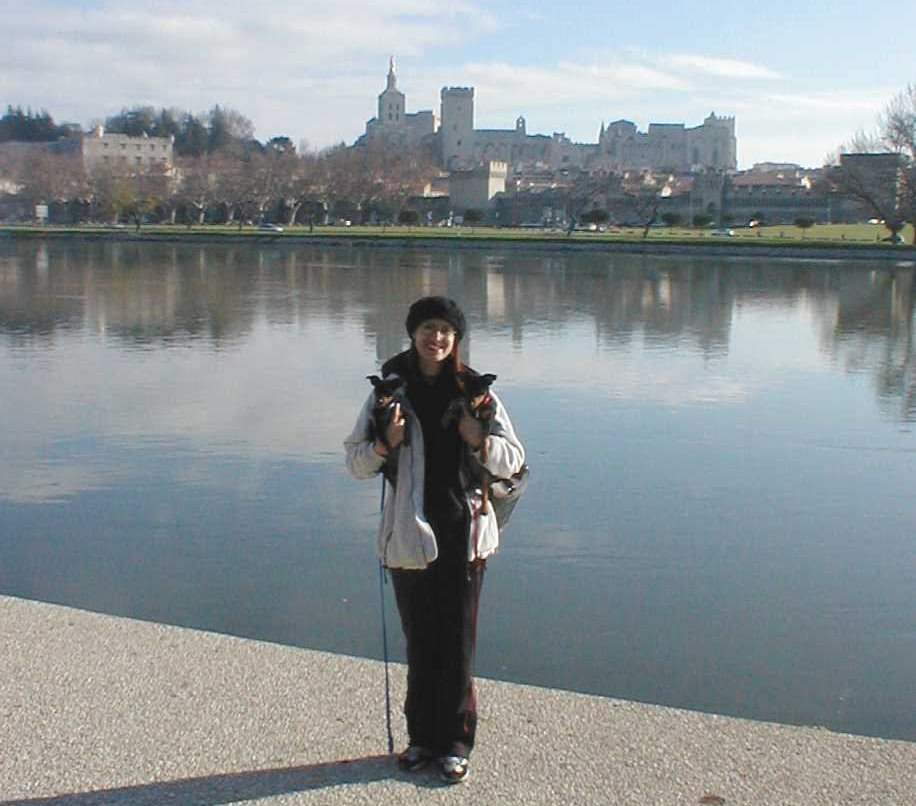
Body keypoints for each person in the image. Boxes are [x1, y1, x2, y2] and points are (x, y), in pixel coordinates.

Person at [344, 296, 525, 784]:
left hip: (463, 533)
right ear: (412, 333)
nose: (437, 338)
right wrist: (387, 444)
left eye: (446, 330)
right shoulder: (389, 391)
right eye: (428, 328)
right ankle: (421, 739)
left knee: (458, 643)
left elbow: (513, 459)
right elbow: (356, 462)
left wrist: (478, 438)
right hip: (409, 532)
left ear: (456, 338)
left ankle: (457, 742)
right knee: (420, 639)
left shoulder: (475, 392)